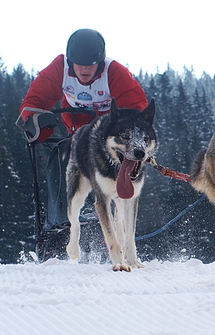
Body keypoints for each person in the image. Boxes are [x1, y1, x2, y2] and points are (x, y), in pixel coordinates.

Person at [19, 29, 148, 229]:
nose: (85, 69)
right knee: (63, 155)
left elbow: (136, 111)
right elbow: (34, 100)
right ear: (70, 62)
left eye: (91, 64)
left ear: (101, 62)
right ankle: (63, 213)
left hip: (111, 132)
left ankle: (116, 218)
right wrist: (36, 124)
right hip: (77, 126)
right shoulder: (59, 68)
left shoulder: (115, 73)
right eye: (79, 64)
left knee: (112, 162)